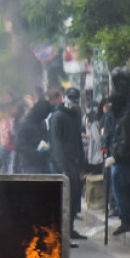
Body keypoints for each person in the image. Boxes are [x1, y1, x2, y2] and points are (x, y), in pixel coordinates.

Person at [104, 69, 130, 235]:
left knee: (124, 190)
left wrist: (116, 155)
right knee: (129, 190)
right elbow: (110, 130)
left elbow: (126, 134)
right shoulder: (118, 105)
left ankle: (129, 220)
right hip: (124, 154)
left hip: (126, 156)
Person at [50, 87, 87, 239]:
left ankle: (70, 228)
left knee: (74, 196)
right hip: (65, 163)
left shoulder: (75, 115)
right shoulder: (58, 116)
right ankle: (63, 229)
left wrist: (83, 162)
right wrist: (62, 165)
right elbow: (56, 142)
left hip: (75, 161)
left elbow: (77, 139)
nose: (74, 103)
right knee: (66, 197)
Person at [14, 91, 56, 174]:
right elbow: (19, 146)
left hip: (43, 162)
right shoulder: (25, 124)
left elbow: (45, 137)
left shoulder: (41, 122)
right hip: (29, 163)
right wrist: (34, 153)